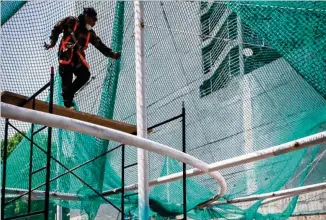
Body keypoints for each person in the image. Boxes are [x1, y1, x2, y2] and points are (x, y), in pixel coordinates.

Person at [44, 7, 120, 109]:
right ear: (87, 17)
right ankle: (68, 103)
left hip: (77, 59)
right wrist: (52, 43)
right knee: (67, 76)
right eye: (94, 19)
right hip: (66, 56)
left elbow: (100, 45)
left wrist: (111, 54)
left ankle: (67, 94)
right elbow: (57, 28)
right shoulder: (71, 21)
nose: (94, 23)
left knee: (85, 74)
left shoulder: (90, 33)